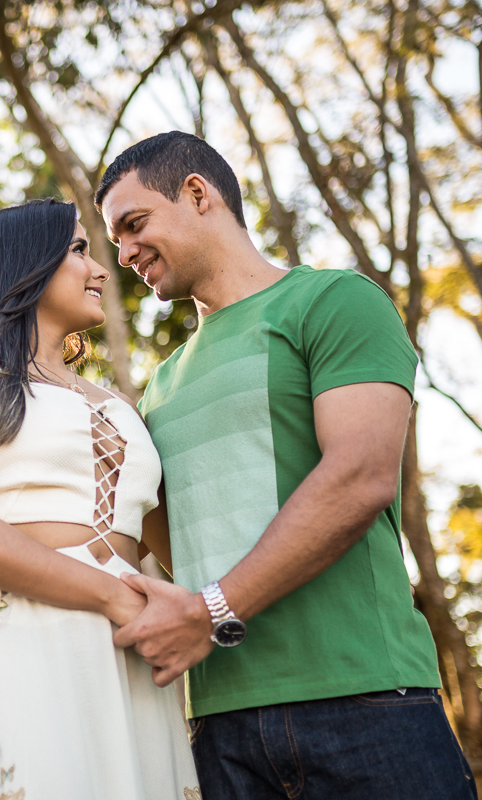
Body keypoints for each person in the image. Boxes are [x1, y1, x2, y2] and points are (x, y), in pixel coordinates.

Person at [95, 130, 477, 800]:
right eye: (115, 240)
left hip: (365, 700)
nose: (123, 254)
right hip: (220, 727)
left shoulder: (332, 302)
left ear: (197, 193)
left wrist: (211, 611)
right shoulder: (158, 387)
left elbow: (359, 477)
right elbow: (181, 547)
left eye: (133, 225)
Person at [0, 198, 201, 799]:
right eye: (78, 250)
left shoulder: (119, 401)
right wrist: (113, 599)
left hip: (132, 650)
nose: (101, 269)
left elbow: (180, 549)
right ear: (25, 264)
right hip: (27, 625)